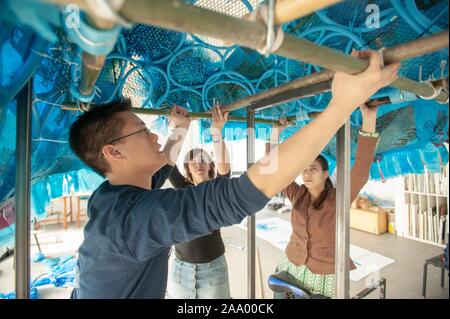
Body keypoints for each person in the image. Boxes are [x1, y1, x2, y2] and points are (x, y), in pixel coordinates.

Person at [68, 50, 399, 298]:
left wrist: (180, 132)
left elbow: (158, 172)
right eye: (143, 131)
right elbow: (252, 184)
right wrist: (341, 104)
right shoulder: (137, 217)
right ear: (113, 151)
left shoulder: (112, 195)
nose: (154, 135)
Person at [268, 102, 381, 299]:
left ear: (325, 173)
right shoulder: (298, 194)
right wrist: (275, 133)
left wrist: (368, 120)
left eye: (314, 169)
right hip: (290, 264)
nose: (308, 173)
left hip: (322, 273)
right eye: (305, 169)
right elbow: (274, 168)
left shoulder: (337, 199)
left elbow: (361, 170)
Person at [167, 102, 232, 299]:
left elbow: (225, 170)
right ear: (187, 167)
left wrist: (216, 133)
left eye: (203, 159)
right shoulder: (183, 188)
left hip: (213, 269)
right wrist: (177, 129)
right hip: (180, 270)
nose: (198, 163)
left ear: (210, 164)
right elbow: (168, 163)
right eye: (193, 160)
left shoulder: (216, 189)